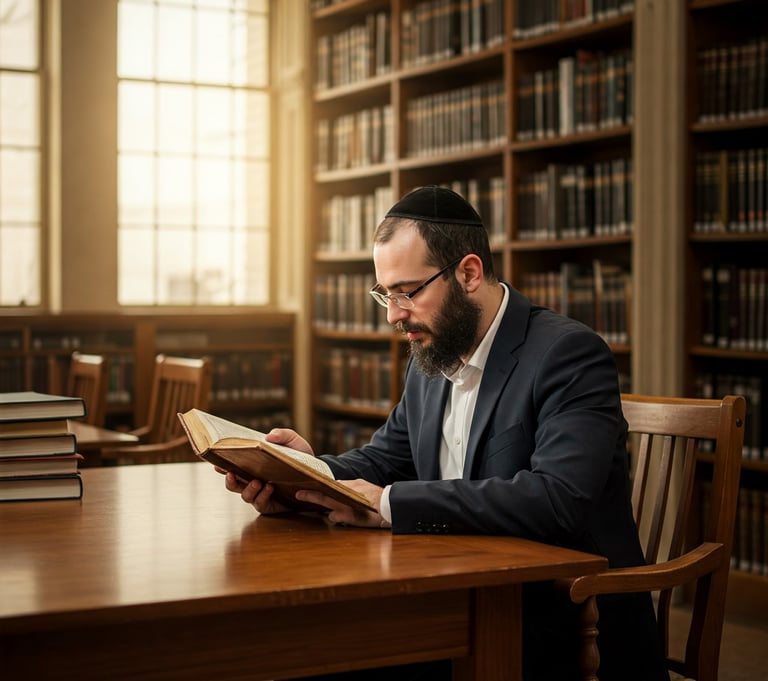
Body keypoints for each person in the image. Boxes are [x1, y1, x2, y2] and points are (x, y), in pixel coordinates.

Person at [223, 186, 669, 681]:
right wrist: (302, 474)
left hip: (563, 620)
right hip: (460, 596)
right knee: (304, 644)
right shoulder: (430, 358)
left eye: (407, 292)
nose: (394, 315)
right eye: (384, 294)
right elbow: (384, 460)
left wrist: (389, 506)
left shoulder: (568, 355)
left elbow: (557, 499)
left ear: (469, 273)